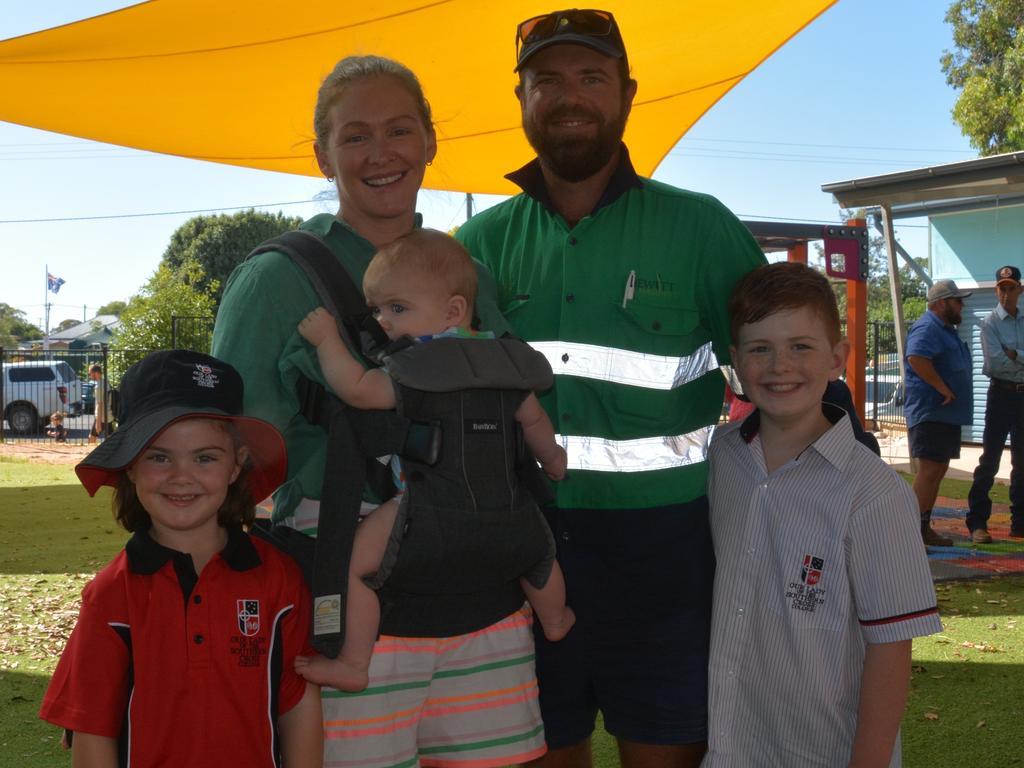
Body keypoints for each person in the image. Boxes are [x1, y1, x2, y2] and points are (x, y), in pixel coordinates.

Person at [213, 55, 547, 767]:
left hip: (479, 583)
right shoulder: (275, 278)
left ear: (430, 140)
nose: (381, 153)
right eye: (355, 136)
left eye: (400, 130)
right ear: (322, 155)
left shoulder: (466, 275)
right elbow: (228, 451)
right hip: (346, 578)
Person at [455, 10, 767, 767]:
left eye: (591, 78)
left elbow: (783, 377)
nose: (570, 96)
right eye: (548, 81)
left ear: (626, 95)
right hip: (518, 553)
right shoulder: (473, 252)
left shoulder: (701, 229)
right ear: (521, 98)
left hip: (667, 555)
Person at [293, 229, 573, 691]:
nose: (383, 321)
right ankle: (557, 618)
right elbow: (533, 420)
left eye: (397, 308)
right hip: (509, 512)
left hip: (429, 511)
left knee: (352, 567)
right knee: (540, 559)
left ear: (453, 311)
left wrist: (327, 341)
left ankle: (354, 663)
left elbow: (358, 390)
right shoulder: (501, 361)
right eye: (377, 309)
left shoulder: (417, 366)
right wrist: (554, 458)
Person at [705, 262, 942, 767]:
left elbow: (891, 648)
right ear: (736, 362)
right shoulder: (720, 458)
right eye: (760, 348)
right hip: (729, 748)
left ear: (838, 358)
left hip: (823, 752)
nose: (779, 365)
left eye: (801, 346)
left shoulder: (875, 496)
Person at [39, 350, 322, 767]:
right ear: (130, 467)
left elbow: (298, 706)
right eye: (158, 456)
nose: (181, 476)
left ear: (235, 465)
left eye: (205, 457)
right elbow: (92, 730)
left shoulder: (278, 579)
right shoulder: (111, 595)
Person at [903, 279, 974, 548]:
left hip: (944, 415)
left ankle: (923, 527)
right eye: (957, 301)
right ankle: (909, 532)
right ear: (942, 303)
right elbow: (917, 357)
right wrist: (941, 387)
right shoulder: (928, 326)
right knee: (930, 469)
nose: (962, 305)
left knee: (938, 468)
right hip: (931, 411)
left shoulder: (944, 329)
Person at [967, 265, 1024, 542]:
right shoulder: (989, 322)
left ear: (1020, 290)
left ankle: (1020, 523)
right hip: (1000, 394)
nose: (1006, 293)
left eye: (1011, 287)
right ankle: (978, 523)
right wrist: (1014, 358)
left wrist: (1016, 354)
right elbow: (996, 363)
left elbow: (1009, 357)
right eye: (1002, 288)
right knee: (990, 459)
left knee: (1022, 461)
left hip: (1023, 394)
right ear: (996, 290)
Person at [87, 363, 107, 444]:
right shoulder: (105, 382)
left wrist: (98, 423)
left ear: (96, 373)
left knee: (91, 438)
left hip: (102, 417)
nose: (90, 376)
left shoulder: (99, 386)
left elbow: (100, 404)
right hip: (106, 415)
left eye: (90, 373)